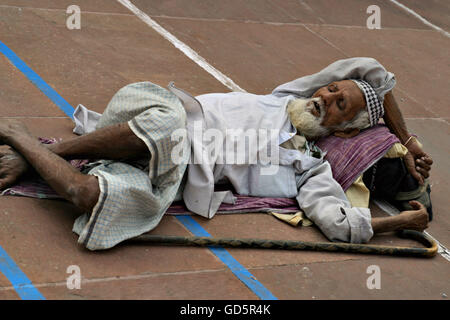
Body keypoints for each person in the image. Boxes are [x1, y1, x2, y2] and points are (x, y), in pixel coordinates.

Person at [0, 57, 432, 250]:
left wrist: (403, 221)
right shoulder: (282, 97)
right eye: (332, 88)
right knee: (167, 130)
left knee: (89, 199)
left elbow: (338, 224)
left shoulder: (309, 167)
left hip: (171, 176)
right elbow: (371, 68)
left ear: (343, 128)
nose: (327, 97)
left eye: (341, 105)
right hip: (153, 117)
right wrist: (408, 141)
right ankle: (43, 148)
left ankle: (21, 143)